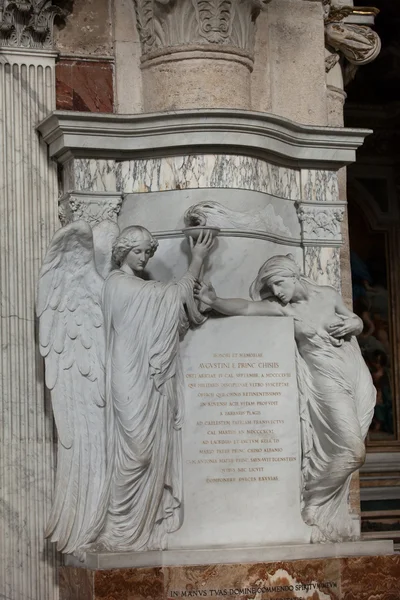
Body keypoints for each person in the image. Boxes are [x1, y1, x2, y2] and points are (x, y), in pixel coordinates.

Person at [195, 254, 376, 542]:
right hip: (327, 382)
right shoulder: (284, 310)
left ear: (293, 275)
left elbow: (353, 319)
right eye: (272, 286)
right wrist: (215, 301)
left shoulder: (328, 295)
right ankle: (313, 502)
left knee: (355, 445)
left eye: (279, 283)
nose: (277, 292)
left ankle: (325, 506)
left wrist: (354, 324)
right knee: (354, 451)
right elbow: (246, 307)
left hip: (356, 375)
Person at [85, 226, 213, 552]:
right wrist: (196, 260)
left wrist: (196, 307)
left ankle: (140, 525)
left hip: (150, 377)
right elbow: (170, 296)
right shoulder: (117, 284)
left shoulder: (140, 287)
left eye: (147, 252)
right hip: (128, 377)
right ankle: (116, 525)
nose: (143, 258)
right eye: (137, 251)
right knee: (137, 451)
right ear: (122, 252)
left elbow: (170, 316)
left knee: (151, 450)